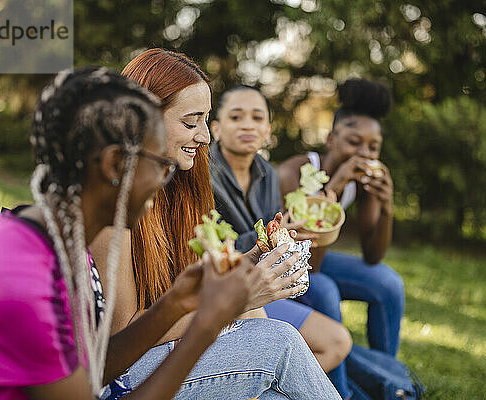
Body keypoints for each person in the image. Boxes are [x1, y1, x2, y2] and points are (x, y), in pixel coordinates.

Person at [0, 67, 259, 400]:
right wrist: (205, 326)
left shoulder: (48, 241)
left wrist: (174, 304)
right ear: (115, 165)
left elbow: (89, 372)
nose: (164, 180)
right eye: (160, 165)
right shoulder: (18, 279)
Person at [96, 49, 341, 400]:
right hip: (123, 374)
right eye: (190, 122)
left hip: (164, 352)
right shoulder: (113, 204)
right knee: (280, 343)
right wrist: (236, 303)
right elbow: (121, 341)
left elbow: (179, 289)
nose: (205, 137)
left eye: (204, 120)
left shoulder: (174, 189)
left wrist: (254, 257)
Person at [208, 84, 353, 379]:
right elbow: (209, 245)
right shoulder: (203, 174)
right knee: (332, 330)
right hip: (230, 289)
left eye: (257, 118)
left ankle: (333, 388)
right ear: (216, 128)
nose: (248, 124)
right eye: (236, 117)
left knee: (323, 288)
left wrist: (300, 226)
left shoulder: (267, 173)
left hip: (268, 276)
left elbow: (276, 232)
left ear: (268, 130)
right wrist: (268, 237)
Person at [278, 78, 405, 366]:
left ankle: (386, 374)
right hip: (287, 266)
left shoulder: (360, 182)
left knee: (388, 282)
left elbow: (373, 255)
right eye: (353, 142)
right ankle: (338, 390)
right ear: (331, 140)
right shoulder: (293, 173)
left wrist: (386, 204)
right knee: (324, 288)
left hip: (314, 258)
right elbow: (310, 265)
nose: (364, 153)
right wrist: (333, 189)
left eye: (374, 147)